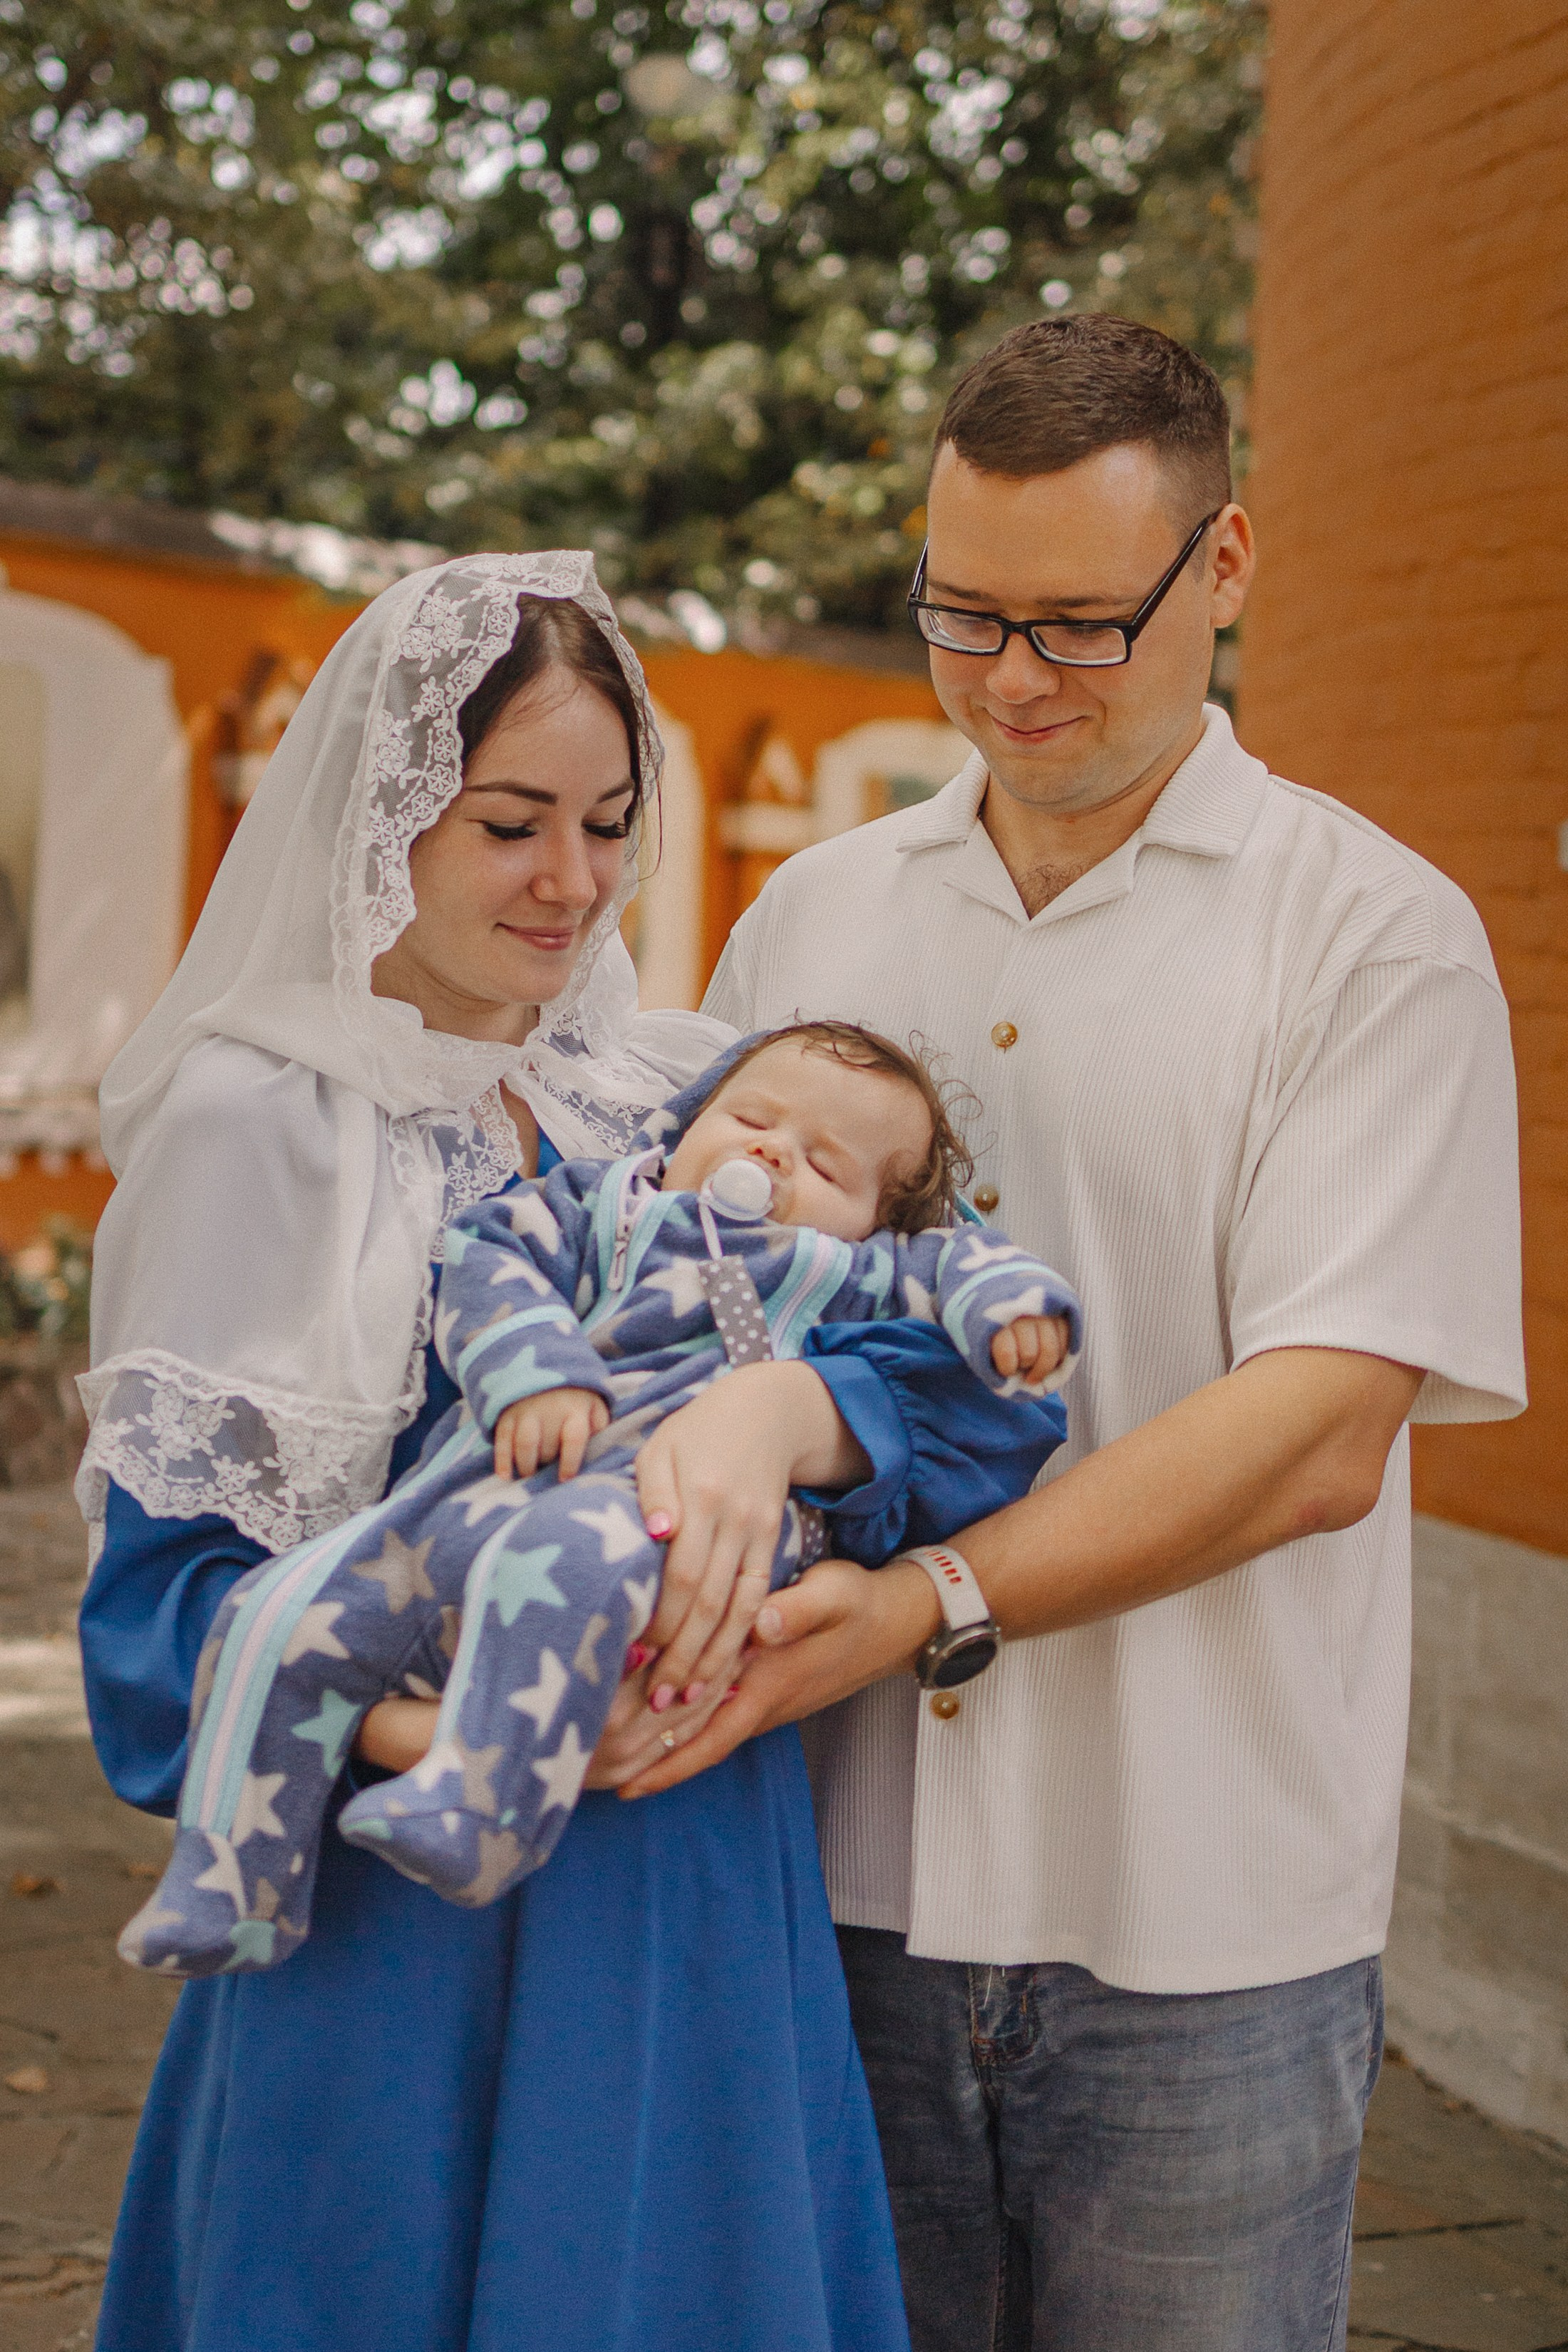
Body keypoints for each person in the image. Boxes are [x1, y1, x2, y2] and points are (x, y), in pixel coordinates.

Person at [646, 315, 1527, 2352]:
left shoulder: (1370, 931)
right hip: (831, 1886)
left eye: (1076, 623)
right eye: (961, 615)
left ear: (1223, 569)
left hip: (1201, 1927)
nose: (1011, 680)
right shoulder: (809, 918)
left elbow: (1320, 1426)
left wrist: (931, 1596)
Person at [76, 552, 1011, 2352]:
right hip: (399, 1916)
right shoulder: (261, 1121)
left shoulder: (658, 1097)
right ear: (388, 811)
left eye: (603, 822)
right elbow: (158, 1623)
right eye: (510, 822)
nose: (569, 884)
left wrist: (789, 1415)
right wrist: (485, 1736)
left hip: (698, 1876)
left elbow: (934, 1384)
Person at [122, 1020, 1078, 1973]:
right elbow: (489, 1257)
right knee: (278, 1614)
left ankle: (482, 1805)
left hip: (669, 1518)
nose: (771, 1152)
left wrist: (1017, 1309)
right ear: (691, 1115)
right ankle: (232, 1884)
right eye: (751, 1116)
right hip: (481, 1501)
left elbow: (960, 1265)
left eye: (825, 1165)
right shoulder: (600, 1206)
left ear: (874, 1219)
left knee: (576, 1553)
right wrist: (533, 1370)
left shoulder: (846, 1272)